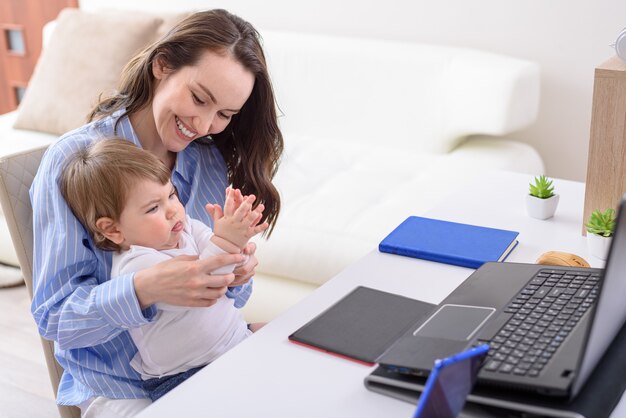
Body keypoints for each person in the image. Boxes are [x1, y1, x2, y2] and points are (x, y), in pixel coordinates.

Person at [30, 9, 283, 418]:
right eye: (199, 98)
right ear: (161, 65)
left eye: (225, 114)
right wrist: (143, 289)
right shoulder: (74, 162)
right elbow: (56, 318)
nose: (203, 124)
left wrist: (235, 271)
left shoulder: (207, 160)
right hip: (121, 385)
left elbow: (228, 295)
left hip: (210, 358)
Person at [60, 138, 268, 402]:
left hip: (235, 339)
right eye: (153, 207)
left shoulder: (187, 227)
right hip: (186, 376)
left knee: (290, 340)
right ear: (113, 229)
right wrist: (227, 241)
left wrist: (238, 248)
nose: (173, 211)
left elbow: (219, 256)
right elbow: (207, 280)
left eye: (171, 195)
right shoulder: (135, 265)